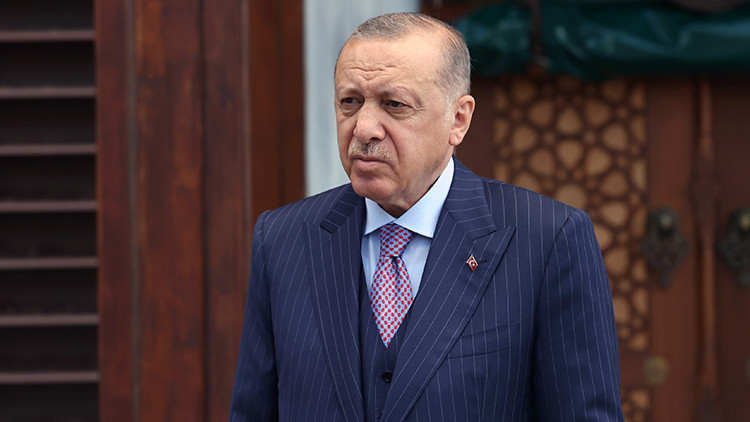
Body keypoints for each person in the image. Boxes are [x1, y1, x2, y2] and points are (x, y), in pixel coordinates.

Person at [230, 12, 624, 422]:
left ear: (459, 119)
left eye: (394, 105)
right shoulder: (283, 239)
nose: (364, 128)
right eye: (350, 102)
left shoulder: (548, 240)